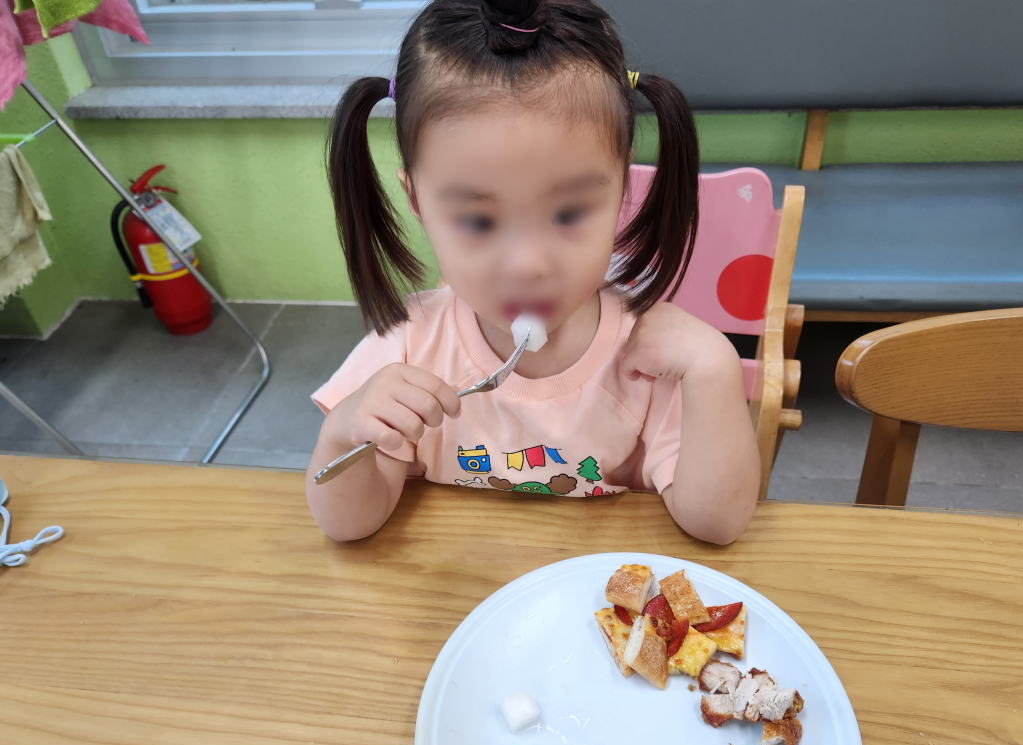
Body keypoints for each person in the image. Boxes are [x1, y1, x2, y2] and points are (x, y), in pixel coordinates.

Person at [307, 0, 760, 543]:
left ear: (622, 188)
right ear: (417, 200)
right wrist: (343, 434)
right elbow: (348, 527)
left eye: (568, 213)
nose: (528, 265)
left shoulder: (649, 355)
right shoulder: (408, 347)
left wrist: (714, 368)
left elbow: (717, 524)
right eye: (478, 220)